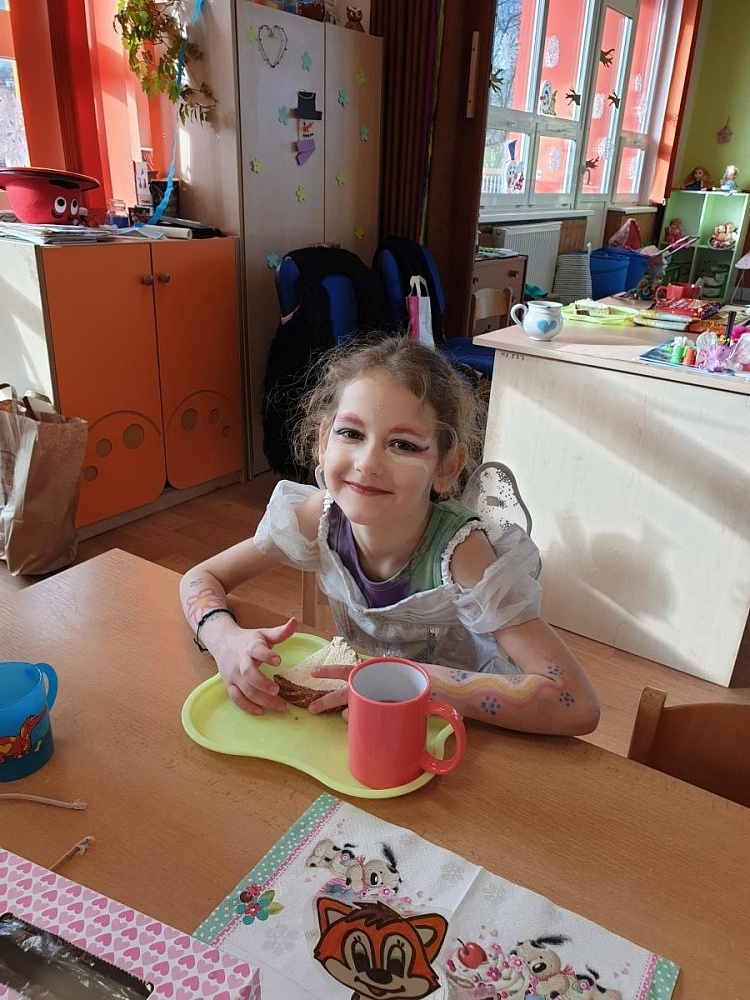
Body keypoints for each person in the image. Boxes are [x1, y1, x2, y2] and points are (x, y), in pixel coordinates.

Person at [180, 336, 600, 736]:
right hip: (364, 714)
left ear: (446, 467)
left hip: (452, 726)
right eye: (351, 434)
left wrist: (404, 681)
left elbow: (574, 702)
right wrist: (224, 640)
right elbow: (200, 577)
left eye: (402, 444)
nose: (368, 463)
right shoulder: (318, 519)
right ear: (323, 442)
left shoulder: (461, 554)